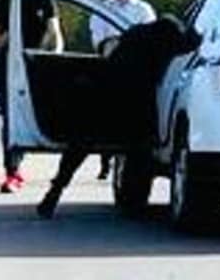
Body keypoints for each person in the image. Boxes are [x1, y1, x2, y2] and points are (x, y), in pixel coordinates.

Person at [34, 16, 202, 219]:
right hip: (137, 102)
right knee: (141, 149)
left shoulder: (134, 33)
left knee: (79, 146)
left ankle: (54, 192)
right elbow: (192, 43)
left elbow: (110, 52)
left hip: (105, 96)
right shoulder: (167, 38)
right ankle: (134, 203)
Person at [0, 0, 63, 195]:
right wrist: (6, 37)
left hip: (37, 65)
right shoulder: (5, 3)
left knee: (38, 113)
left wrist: (56, 54)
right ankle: (12, 171)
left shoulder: (44, 0)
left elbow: (55, 33)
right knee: (11, 118)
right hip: (10, 66)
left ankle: (46, 160)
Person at [89, 0, 156, 180]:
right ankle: (105, 160)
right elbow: (98, 38)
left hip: (136, 74)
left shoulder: (144, 10)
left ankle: (127, 160)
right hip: (110, 68)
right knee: (106, 115)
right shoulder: (102, 8)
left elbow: (151, 39)